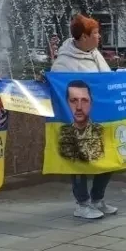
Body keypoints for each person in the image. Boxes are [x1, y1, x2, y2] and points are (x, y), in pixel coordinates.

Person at [51, 15, 118, 218]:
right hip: (78, 123)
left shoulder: (95, 54)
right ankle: (82, 204)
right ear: (83, 37)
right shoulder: (64, 63)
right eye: (95, 33)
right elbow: (59, 91)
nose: (99, 36)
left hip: (101, 119)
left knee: (108, 158)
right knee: (79, 162)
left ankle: (98, 199)